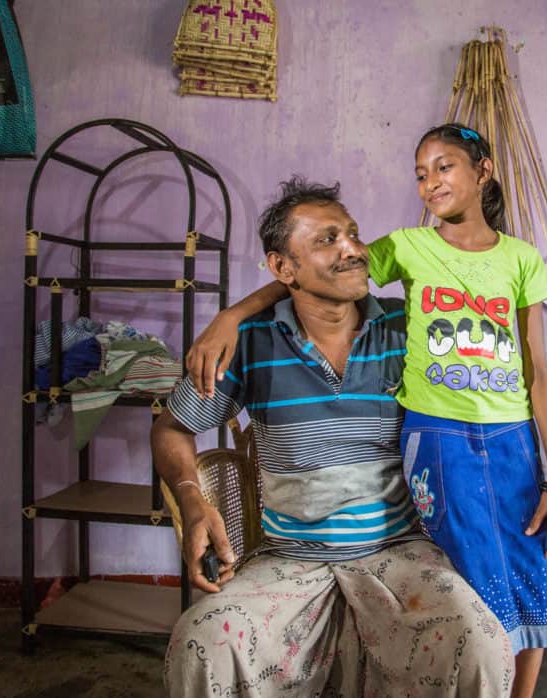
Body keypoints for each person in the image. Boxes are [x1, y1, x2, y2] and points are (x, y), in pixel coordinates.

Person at [186, 124, 547, 698]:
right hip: (381, 483)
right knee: (469, 574)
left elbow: (536, 370)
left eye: (445, 167)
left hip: (477, 470)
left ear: (483, 171)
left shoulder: (474, 285)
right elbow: (317, 275)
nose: (431, 182)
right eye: (422, 172)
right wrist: (232, 316)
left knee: (510, 588)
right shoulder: (399, 254)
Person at [151, 176, 514, 698]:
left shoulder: (408, 328)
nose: (353, 250)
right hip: (289, 557)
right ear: (282, 267)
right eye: (326, 239)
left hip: (401, 553)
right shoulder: (250, 343)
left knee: (478, 643)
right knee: (202, 641)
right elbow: (171, 427)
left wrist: (233, 308)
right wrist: (190, 501)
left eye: (353, 234)